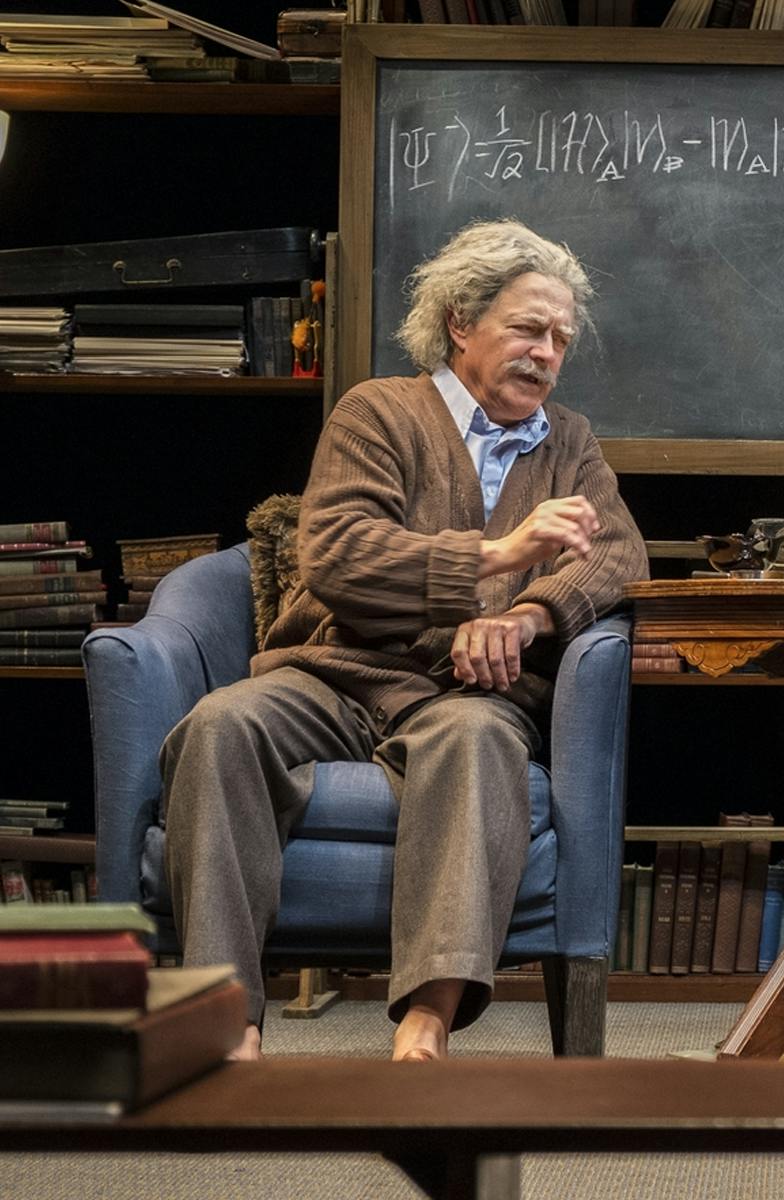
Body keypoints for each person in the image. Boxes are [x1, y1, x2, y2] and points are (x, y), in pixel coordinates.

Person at [160, 219, 648, 1062]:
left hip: (468, 693)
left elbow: (617, 554)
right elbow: (340, 555)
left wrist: (527, 615)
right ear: (461, 320)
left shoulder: (568, 442)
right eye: (528, 328)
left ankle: (428, 1021)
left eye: (561, 339)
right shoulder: (377, 411)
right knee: (219, 726)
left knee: (475, 742)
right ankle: (228, 1024)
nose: (547, 354)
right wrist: (498, 555)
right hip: (332, 675)